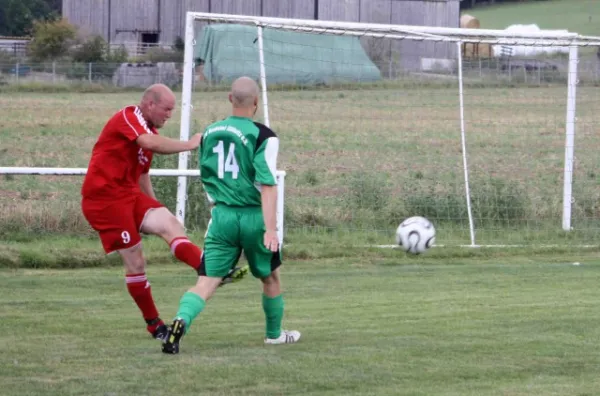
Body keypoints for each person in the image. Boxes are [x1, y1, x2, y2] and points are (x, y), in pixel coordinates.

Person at [81, 84, 248, 341]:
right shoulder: (129, 116)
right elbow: (148, 143)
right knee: (136, 262)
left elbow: (143, 174)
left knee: (170, 224)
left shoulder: (149, 130)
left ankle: (211, 268)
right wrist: (190, 144)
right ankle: (154, 325)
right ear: (150, 104)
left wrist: (155, 208)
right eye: (167, 108)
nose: (170, 114)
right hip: (105, 200)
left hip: (129, 195)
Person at [161, 76, 301, 354]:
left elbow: (209, 173)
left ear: (229, 98)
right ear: (256, 103)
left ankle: (180, 321)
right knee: (270, 277)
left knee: (207, 281)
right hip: (254, 217)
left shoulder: (209, 132)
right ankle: (274, 335)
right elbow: (267, 183)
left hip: (222, 216)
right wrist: (270, 229)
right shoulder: (264, 135)